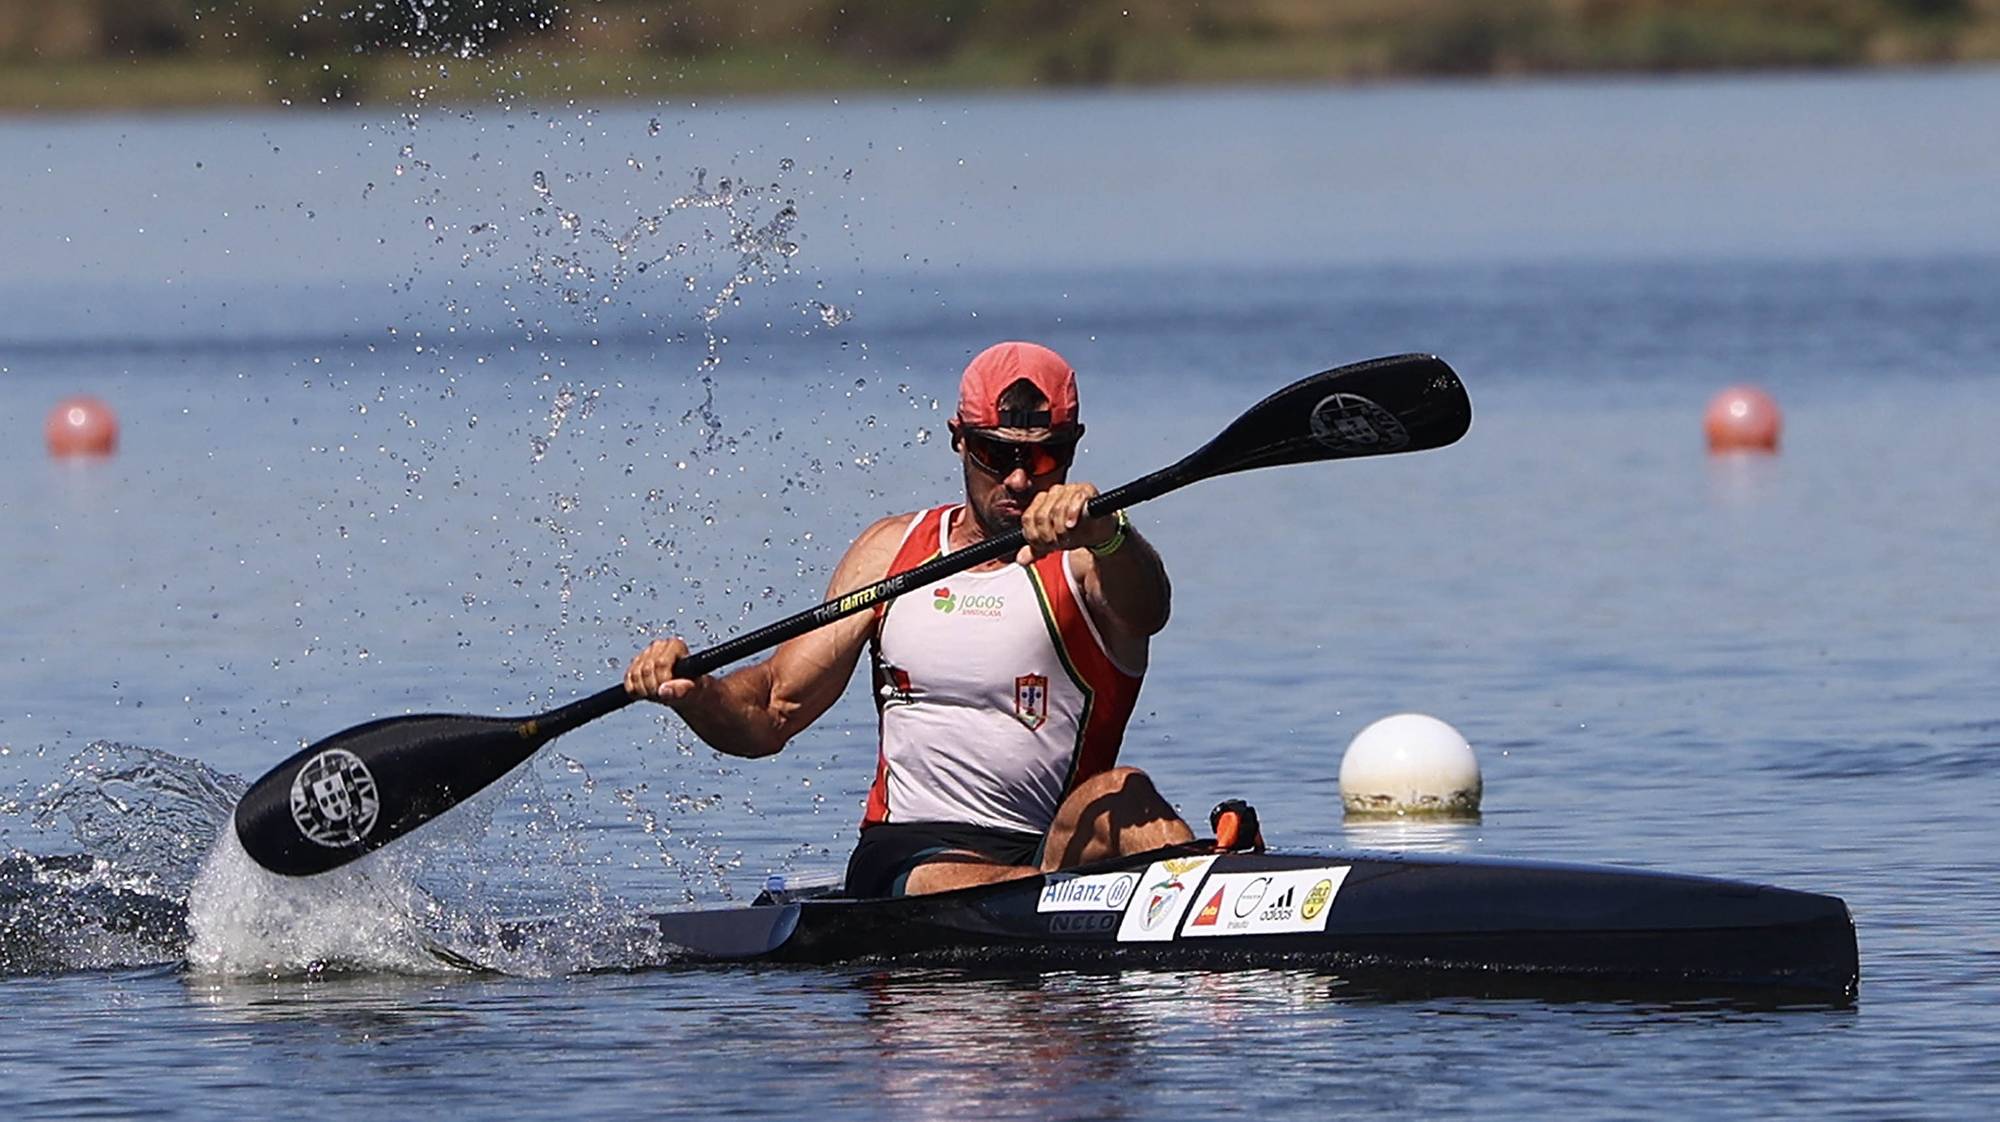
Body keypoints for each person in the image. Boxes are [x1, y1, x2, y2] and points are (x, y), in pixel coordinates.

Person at [625, 340, 1197, 898]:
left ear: (1073, 448)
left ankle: (1208, 901)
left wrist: (1108, 532)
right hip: (910, 855)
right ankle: (1088, 898)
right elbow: (772, 710)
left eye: (1044, 457)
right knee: (967, 879)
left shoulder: (1095, 565)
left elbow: (1151, 608)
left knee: (1124, 792)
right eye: (996, 455)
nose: (1020, 480)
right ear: (959, 441)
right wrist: (698, 693)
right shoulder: (890, 553)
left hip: (1049, 848)